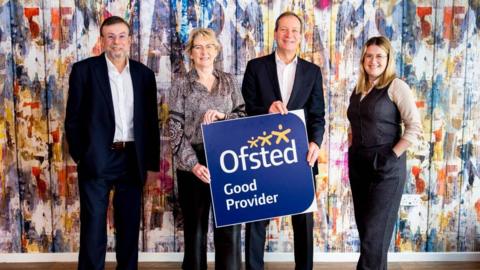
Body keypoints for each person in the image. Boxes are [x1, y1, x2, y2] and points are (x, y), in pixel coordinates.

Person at [65, 16, 160, 270]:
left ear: (129, 40)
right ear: (102, 40)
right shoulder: (84, 71)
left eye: (121, 36)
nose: (116, 42)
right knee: (94, 226)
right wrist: (82, 156)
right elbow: (72, 119)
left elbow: (151, 123)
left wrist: (151, 164)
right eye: (110, 36)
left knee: (129, 225)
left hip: (132, 159)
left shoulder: (144, 75)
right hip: (97, 158)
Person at [241, 11, 325, 270]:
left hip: (300, 157)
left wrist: (316, 143)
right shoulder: (256, 67)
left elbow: (318, 115)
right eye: (284, 30)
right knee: (256, 220)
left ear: (301, 36)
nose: (289, 35)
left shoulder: (312, 72)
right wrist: (266, 109)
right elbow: (244, 108)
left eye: (295, 31)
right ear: (276, 33)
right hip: (262, 156)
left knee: (303, 223)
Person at [167, 28, 246, 270]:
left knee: (229, 229)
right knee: (196, 230)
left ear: (216, 50)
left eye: (209, 46)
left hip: (227, 161)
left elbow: (243, 118)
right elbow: (174, 130)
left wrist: (223, 116)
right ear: (190, 53)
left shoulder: (229, 80)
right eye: (198, 47)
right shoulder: (181, 83)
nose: (204, 52)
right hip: (194, 163)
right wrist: (194, 165)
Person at [347, 36, 422, 270]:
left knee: (373, 237)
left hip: (386, 168)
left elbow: (414, 127)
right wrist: (351, 148)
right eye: (369, 55)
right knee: (368, 235)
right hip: (359, 167)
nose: (373, 60)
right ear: (363, 59)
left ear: (388, 59)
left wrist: (391, 156)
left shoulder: (396, 86)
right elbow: (354, 124)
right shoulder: (359, 89)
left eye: (379, 56)